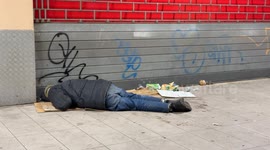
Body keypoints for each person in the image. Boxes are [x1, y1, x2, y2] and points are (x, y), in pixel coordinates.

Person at [37, 79, 192, 113]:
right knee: (134, 97)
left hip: (104, 99)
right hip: (109, 87)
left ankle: (170, 106)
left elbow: (63, 103)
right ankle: (164, 100)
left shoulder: (53, 92)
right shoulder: (64, 83)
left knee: (136, 105)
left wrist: (51, 98)